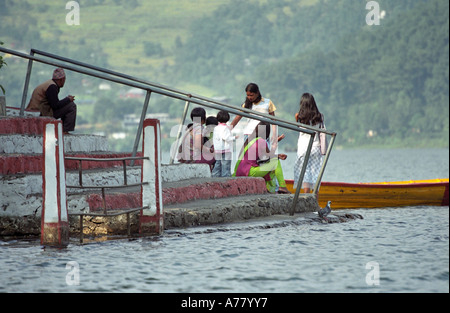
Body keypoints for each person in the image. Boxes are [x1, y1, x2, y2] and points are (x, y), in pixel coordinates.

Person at [233, 121, 290, 194]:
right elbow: (270, 157)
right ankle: (282, 186)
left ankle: (268, 188)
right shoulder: (262, 141)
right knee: (276, 162)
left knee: (271, 162)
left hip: (240, 170)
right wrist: (274, 144)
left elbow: (264, 158)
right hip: (249, 171)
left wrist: (277, 155)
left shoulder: (250, 140)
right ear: (267, 132)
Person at [230, 83, 282, 151]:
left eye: (251, 95)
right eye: (247, 95)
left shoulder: (267, 102)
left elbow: (273, 120)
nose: (249, 97)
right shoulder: (246, 105)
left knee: (264, 159)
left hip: (263, 134)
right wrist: (227, 130)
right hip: (249, 134)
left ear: (257, 93)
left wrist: (274, 134)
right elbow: (236, 119)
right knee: (249, 158)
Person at [26, 67, 77, 133]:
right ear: (61, 79)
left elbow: (54, 103)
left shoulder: (49, 84)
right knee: (71, 106)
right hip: (41, 113)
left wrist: (66, 100)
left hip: (40, 110)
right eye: (64, 79)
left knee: (67, 104)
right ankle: (65, 130)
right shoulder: (52, 87)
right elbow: (55, 105)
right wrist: (68, 99)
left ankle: (63, 130)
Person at [294, 93, 326, 193]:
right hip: (316, 147)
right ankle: (315, 199)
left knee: (305, 172)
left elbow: (298, 127)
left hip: (303, 147)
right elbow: (322, 132)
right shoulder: (319, 116)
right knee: (315, 173)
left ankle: (306, 196)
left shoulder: (298, 116)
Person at [212, 110, 238, 177]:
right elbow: (226, 137)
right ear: (227, 119)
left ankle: (215, 176)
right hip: (226, 149)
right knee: (226, 164)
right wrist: (234, 137)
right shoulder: (226, 128)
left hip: (217, 149)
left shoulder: (216, 128)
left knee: (218, 163)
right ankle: (225, 177)